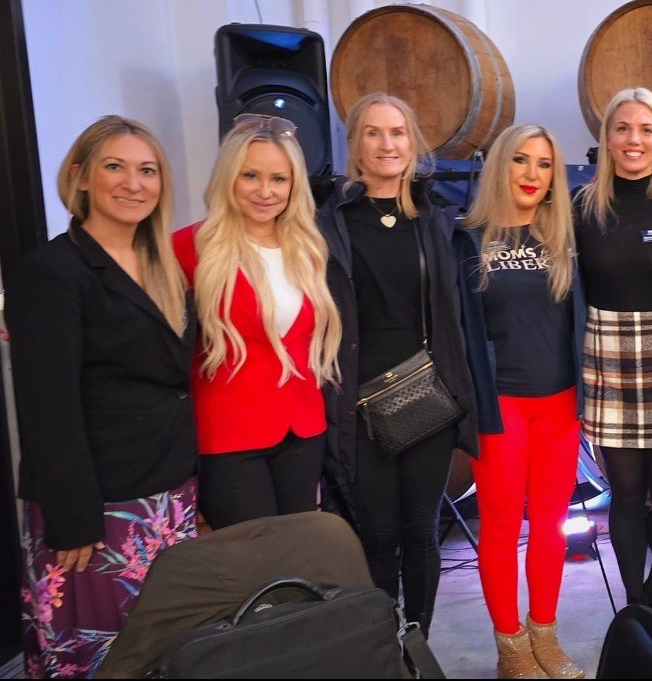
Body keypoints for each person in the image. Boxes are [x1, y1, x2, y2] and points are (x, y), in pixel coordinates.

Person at [8, 115, 196, 678]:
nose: (134, 184)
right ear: (81, 176)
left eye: (148, 171)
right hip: (98, 505)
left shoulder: (163, 266)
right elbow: (49, 408)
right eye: (115, 167)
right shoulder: (51, 270)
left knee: (166, 650)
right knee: (102, 655)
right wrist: (73, 518)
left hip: (168, 495)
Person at [316, 93, 478, 635]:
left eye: (397, 132)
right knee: (378, 536)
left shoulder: (434, 222)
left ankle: (419, 642)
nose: (387, 144)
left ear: (413, 144)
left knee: (420, 531)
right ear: (355, 146)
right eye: (373, 132)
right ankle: (385, 646)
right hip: (355, 399)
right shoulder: (330, 223)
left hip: (423, 391)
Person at [454, 123, 586, 679]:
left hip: (560, 404)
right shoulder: (468, 240)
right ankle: (511, 648)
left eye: (544, 164)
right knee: (502, 527)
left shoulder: (563, 240)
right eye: (521, 161)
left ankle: (545, 637)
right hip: (501, 405)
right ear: (500, 166)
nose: (533, 174)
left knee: (552, 524)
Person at [173, 113, 342, 531]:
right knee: (254, 559)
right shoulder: (189, 247)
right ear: (228, 177)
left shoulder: (310, 248)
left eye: (279, 179)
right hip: (227, 436)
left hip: (302, 431)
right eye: (251, 176)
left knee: (298, 554)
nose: (266, 192)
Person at [571, 87, 652, 637]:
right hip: (606, 354)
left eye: (646, 129)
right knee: (624, 495)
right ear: (607, 138)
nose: (634, 139)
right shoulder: (581, 206)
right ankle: (638, 608)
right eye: (622, 128)